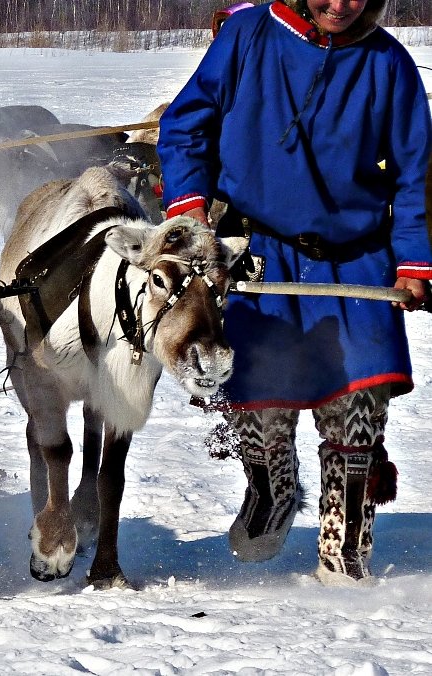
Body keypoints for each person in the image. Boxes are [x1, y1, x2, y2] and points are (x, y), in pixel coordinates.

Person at [158, 0, 432, 585]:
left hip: (356, 258)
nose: (340, 4)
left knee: (356, 405)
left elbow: (414, 178)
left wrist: (413, 261)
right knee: (261, 399)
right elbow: (185, 125)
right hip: (259, 251)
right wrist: (190, 210)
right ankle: (272, 489)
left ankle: (344, 549)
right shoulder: (249, 34)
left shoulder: (389, 64)